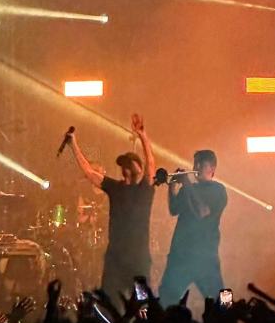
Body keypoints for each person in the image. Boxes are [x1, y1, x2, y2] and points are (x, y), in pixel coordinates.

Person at [68, 115, 155, 305]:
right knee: (109, 304)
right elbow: (90, 173)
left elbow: (151, 166)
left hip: (138, 260)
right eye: (122, 165)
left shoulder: (145, 190)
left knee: (143, 306)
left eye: (129, 164)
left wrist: (142, 135)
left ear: (138, 169)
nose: (124, 168)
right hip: (115, 259)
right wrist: (73, 144)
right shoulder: (115, 188)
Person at [158, 149, 227, 307]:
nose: (195, 167)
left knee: (223, 299)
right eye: (194, 162)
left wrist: (187, 184)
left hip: (205, 256)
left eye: (200, 163)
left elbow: (202, 212)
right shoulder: (188, 188)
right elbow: (173, 209)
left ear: (212, 168)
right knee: (166, 298)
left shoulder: (218, 190)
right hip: (180, 255)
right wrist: (172, 186)